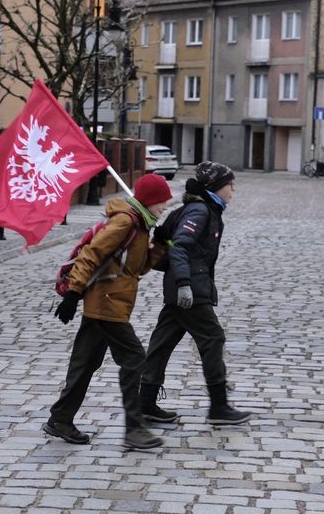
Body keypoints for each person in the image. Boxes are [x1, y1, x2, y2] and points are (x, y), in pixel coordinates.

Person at [45, 173, 172, 450]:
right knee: (135, 358)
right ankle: (134, 429)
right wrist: (74, 293)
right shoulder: (126, 221)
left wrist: (159, 245)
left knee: (85, 363)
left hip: (111, 303)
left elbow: (135, 270)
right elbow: (92, 254)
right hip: (106, 304)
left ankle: (60, 419)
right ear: (149, 201)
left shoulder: (141, 226)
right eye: (162, 202)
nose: (165, 207)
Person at [140, 161, 252, 426]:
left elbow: (171, 244)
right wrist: (184, 284)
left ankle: (145, 403)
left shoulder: (202, 209)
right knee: (213, 338)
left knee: (162, 343)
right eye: (229, 184)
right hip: (190, 290)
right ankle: (219, 407)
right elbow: (179, 247)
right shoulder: (200, 211)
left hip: (183, 286)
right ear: (215, 187)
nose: (233, 189)